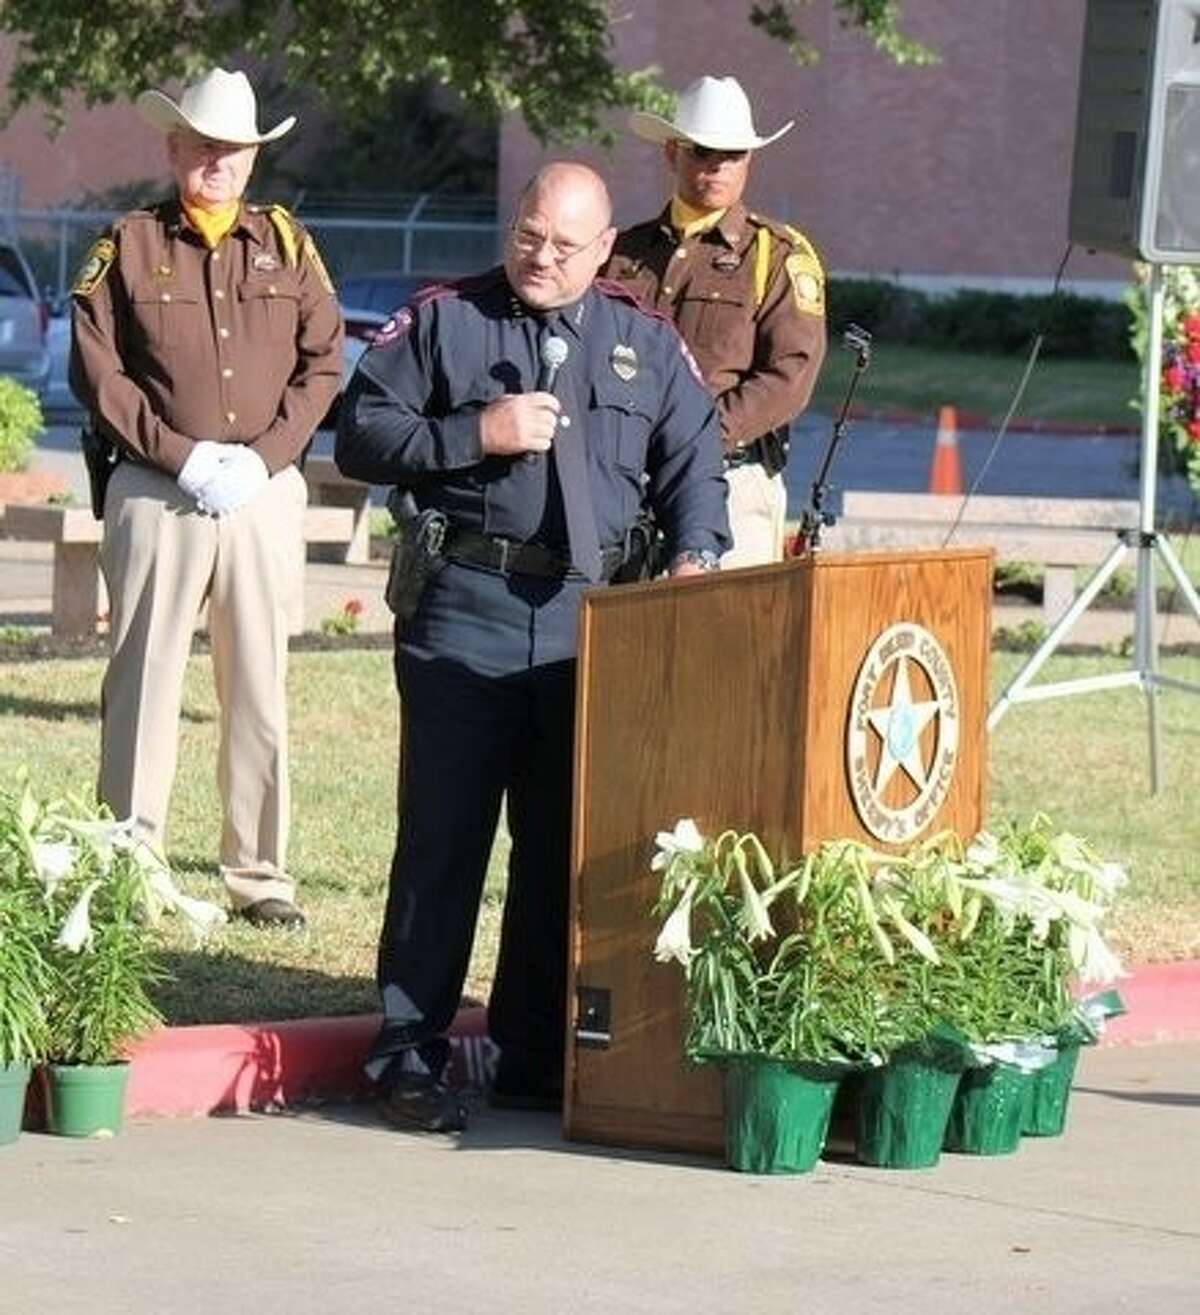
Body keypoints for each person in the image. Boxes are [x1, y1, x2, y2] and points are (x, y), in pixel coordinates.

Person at [336, 161, 730, 1133]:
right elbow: (359, 435)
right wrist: (477, 432)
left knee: (557, 845)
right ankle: (408, 1051)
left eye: (565, 245)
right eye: (528, 236)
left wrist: (697, 552)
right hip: (463, 606)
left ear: (604, 249)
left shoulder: (642, 340)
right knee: (444, 841)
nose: (541, 258)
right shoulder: (445, 321)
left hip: (586, 620)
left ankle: (531, 1051)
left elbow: (697, 461)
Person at [69, 68, 343, 929]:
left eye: (234, 148)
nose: (217, 160)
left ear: (253, 159)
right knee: (144, 680)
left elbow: (324, 362)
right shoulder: (128, 243)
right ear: (174, 147)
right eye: (204, 144)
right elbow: (97, 371)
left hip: (261, 493)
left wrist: (265, 458)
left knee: (259, 682)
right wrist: (180, 456)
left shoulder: (290, 246)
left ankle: (259, 875)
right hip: (159, 489)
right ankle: (128, 864)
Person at [603, 74, 827, 568]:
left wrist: (696, 435)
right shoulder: (621, 253)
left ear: (750, 160)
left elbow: (790, 377)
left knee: (724, 639)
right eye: (702, 151)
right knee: (620, 638)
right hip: (620, 479)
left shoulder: (776, 254)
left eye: (733, 154)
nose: (717, 166)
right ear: (671, 153)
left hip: (730, 480)